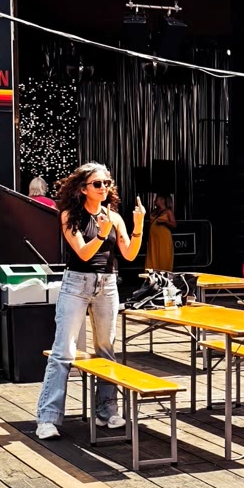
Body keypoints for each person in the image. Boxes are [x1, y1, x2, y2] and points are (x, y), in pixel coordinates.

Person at [34, 162, 144, 440]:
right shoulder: (70, 215)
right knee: (63, 351)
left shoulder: (114, 217)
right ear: (83, 189)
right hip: (76, 283)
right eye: (97, 184)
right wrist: (103, 232)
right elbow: (83, 253)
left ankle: (107, 410)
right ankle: (48, 418)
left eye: (107, 183)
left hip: (107, 284)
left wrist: (139, 225)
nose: (103, 187)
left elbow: (129, 254)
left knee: (107, 349)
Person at [144, 191, 176, 272]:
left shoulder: (168, 211)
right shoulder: (154, 211)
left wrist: (164, 222)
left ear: (162, 200)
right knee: (153, 256)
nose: (155, 201)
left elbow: (174, 224)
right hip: (153, 239)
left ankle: (164, 274)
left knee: (163, 256)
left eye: (157, 199)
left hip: (163, 238)